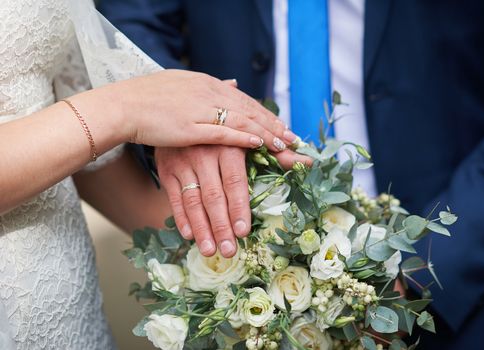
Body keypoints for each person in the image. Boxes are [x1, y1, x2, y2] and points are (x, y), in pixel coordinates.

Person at [100, 0, 484, 348]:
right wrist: (177, 124)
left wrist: (422, 274)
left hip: (464, 282)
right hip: (248, 280)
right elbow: (130, 23)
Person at [0, 0, 307, 348]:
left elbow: (79, 151)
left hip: (69, 313)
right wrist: (127, 108)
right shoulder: (123, 108)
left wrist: (262, 261)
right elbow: (105, 118)